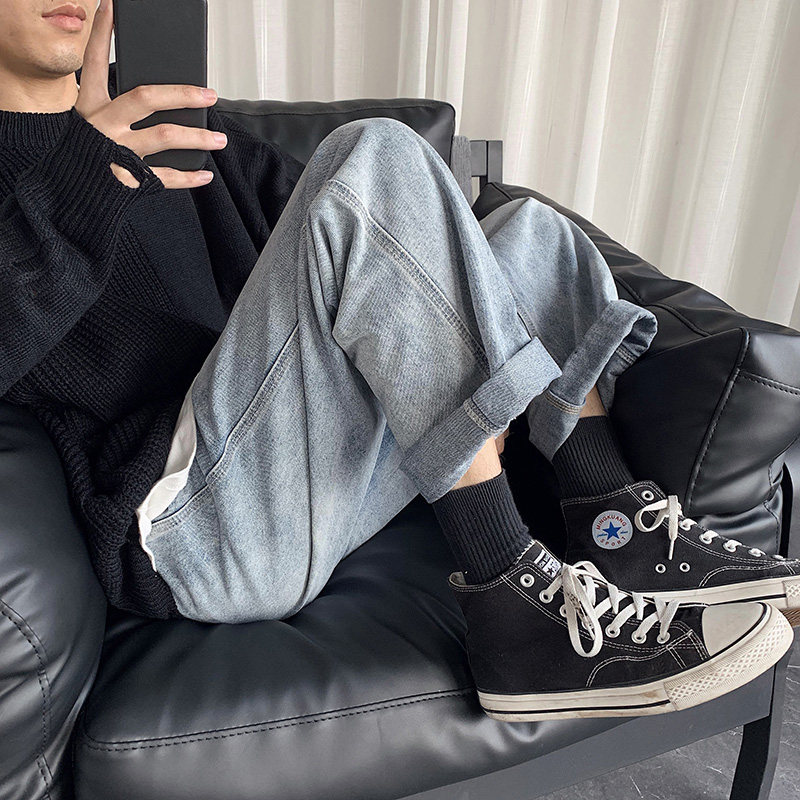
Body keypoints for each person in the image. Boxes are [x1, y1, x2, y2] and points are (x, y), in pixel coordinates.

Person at [0, 0, 795, 722]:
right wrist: (81, 182)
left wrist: (470, 347)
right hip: (187, 530)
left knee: (530, 237)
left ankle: (615, 522)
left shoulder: (185, 130)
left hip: (305, 471)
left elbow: (376, 230)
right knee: (374, 151)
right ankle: (510, 603)